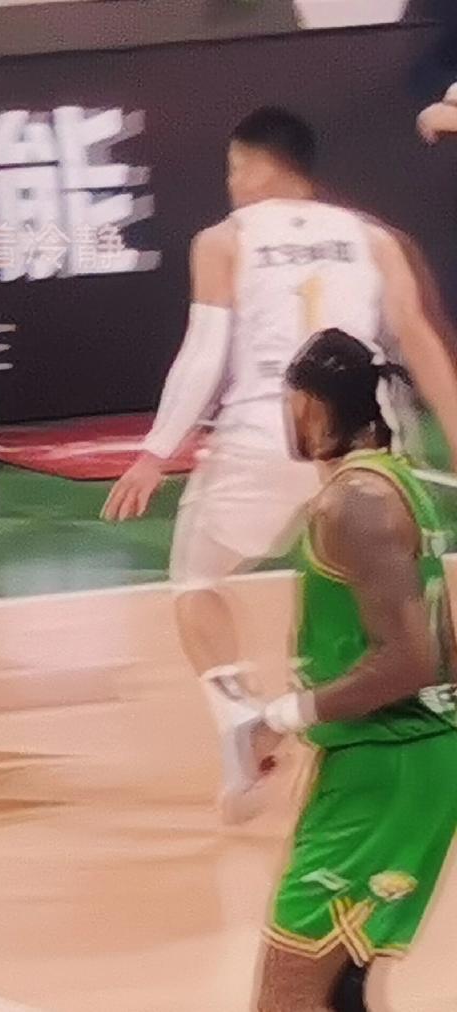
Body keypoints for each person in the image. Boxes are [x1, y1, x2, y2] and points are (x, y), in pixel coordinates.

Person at [102, 107, 457, 820]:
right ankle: (387, 736)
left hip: (272, 429)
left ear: (256, 169)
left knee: (196, 580)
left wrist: (155, 453)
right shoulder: (373, 237)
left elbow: (204, 351)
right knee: (380, 596)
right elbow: (419, 341)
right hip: (368, 436)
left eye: (234, 170)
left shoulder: (225, 239)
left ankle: (243, 718)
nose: (232, 184)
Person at [205, 329, 457, 1012]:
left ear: (314, 406)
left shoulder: (356, 502)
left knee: (288, 996)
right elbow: (441, 644)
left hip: (389, 769)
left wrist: (284, 714)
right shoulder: (391, 484)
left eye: (289, 401)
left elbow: (411, 659)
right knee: (338, 990)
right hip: (389, 761)